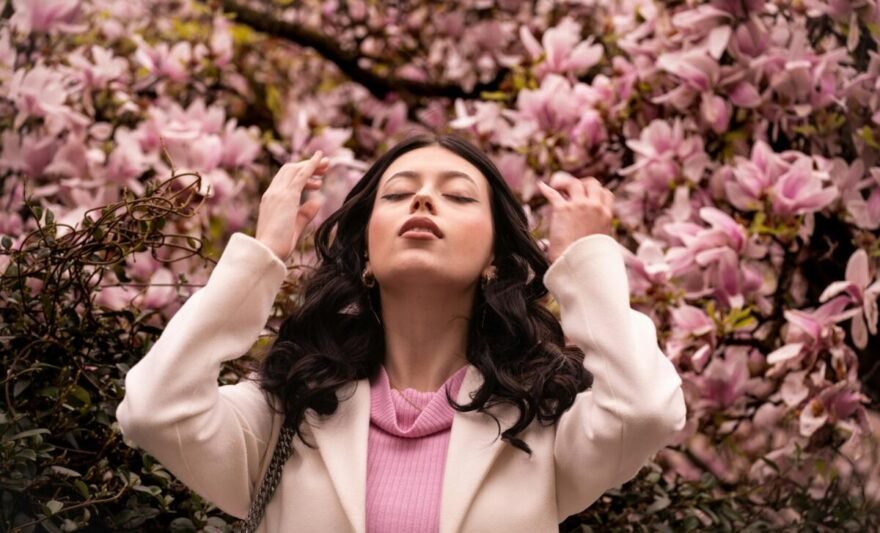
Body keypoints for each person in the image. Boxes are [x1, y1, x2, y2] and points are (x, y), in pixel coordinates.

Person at [116, 133, 687, 533]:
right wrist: (259, 258)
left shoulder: (539, 424)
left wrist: (585, 262)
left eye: (458, 196)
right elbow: (154, 409)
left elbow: (644, 410)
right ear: (365, 253)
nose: (423, 199)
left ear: (495, 257)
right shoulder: (287, 412)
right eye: (396, 194)